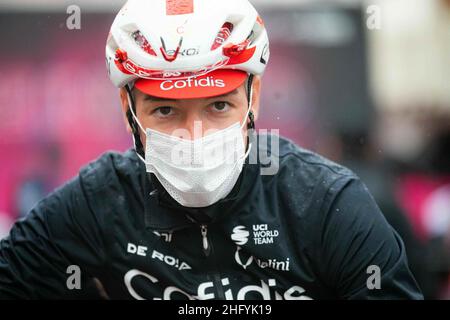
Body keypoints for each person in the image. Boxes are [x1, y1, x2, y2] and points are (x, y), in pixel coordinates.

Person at [0, 0, 422, 299]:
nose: (193, 136)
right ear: (128, 109)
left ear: (253, 98)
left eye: (219, 105)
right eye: (165, 110)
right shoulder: (99, 201)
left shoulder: (325, 203)